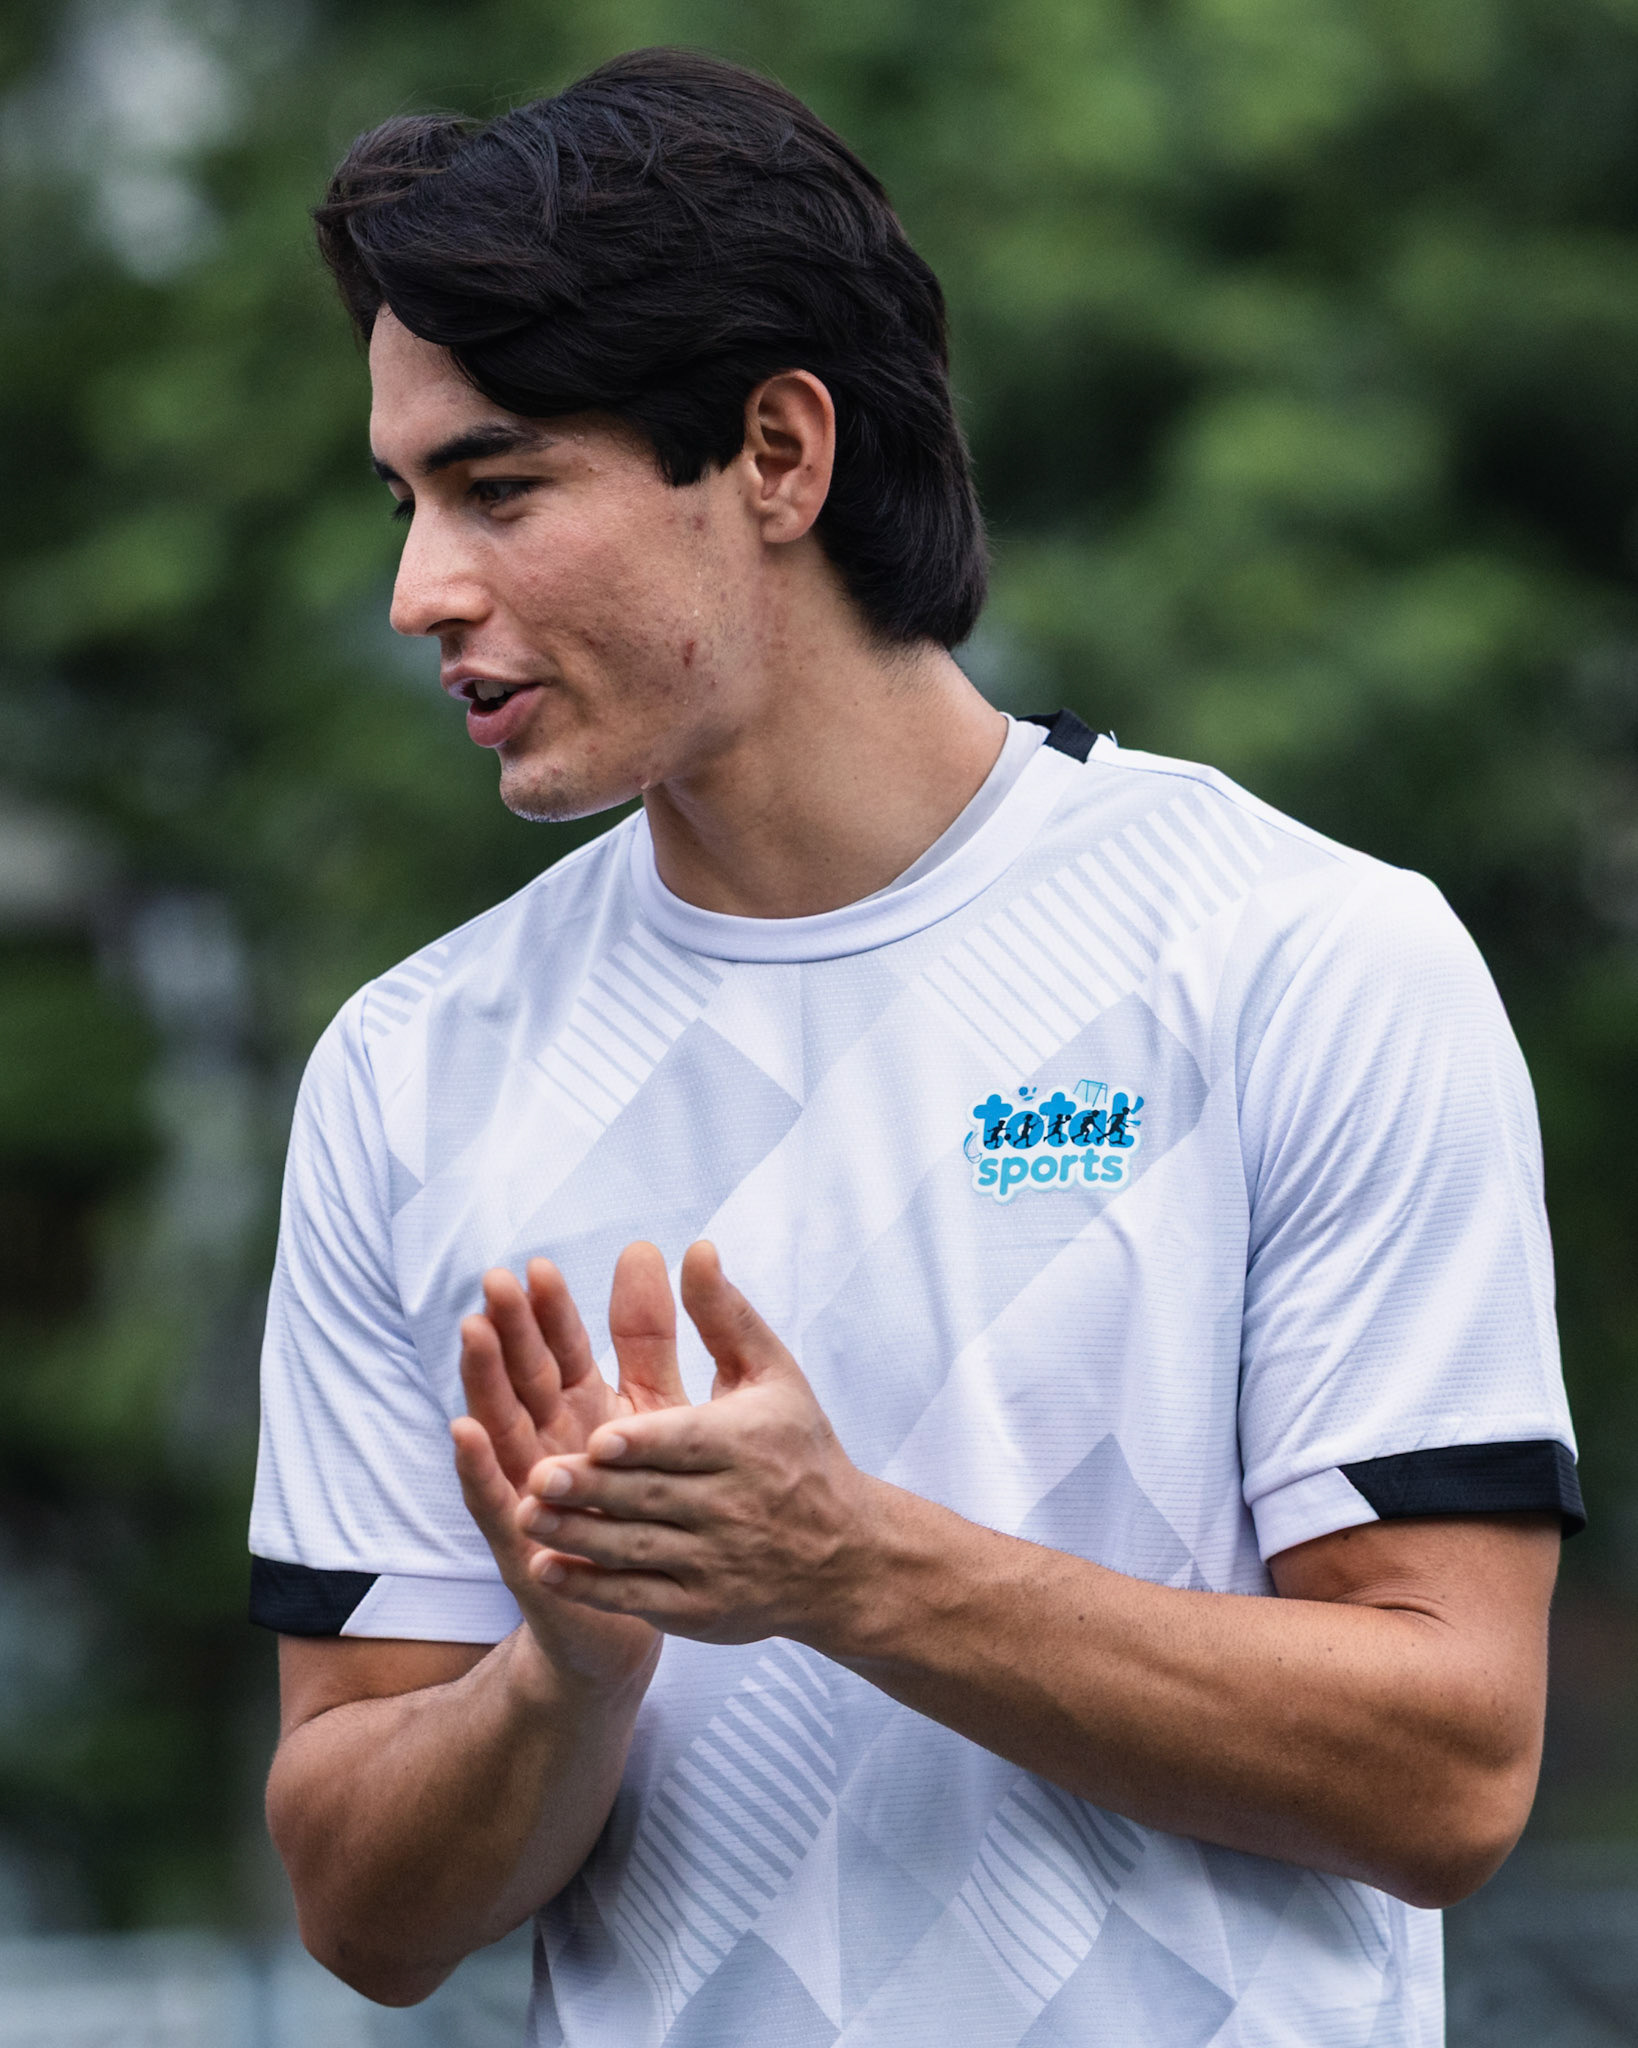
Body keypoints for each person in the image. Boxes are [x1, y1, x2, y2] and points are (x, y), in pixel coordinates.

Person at [250, 47, 1582, 2048]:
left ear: (778, 455)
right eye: (407, 495)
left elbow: (1454, 1764)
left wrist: (844, 1563)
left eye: (499, 483)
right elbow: (360, 1899)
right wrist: (562, 1682)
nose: (420, 588)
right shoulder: (405, 1067)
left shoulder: (1304, 958)